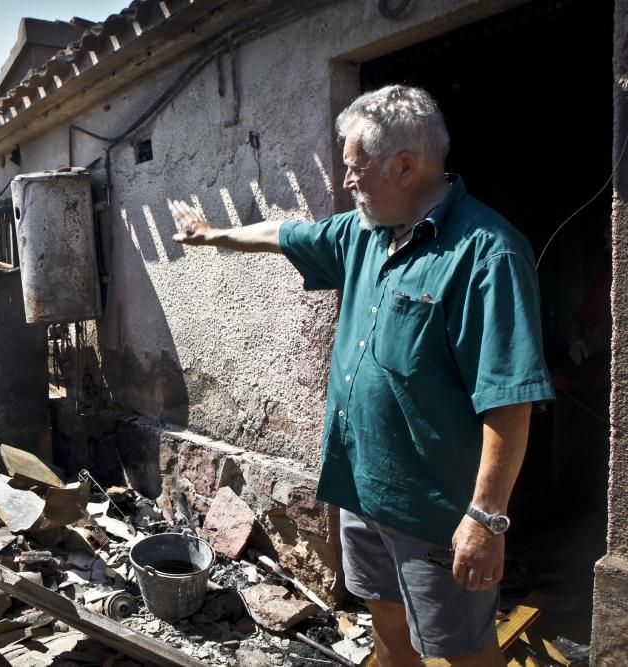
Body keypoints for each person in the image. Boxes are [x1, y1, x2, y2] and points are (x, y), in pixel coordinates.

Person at [169, 85, 553, 666]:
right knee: (388, 627)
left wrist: (485, 520)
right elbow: (283, 233)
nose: (347, 181)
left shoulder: (488, 254)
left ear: (405, 166)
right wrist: (210, 235)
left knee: (462, 652)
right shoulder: (365, 233)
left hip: (434, 513)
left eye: (356, 168)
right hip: (363, 491)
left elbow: (509, 402)